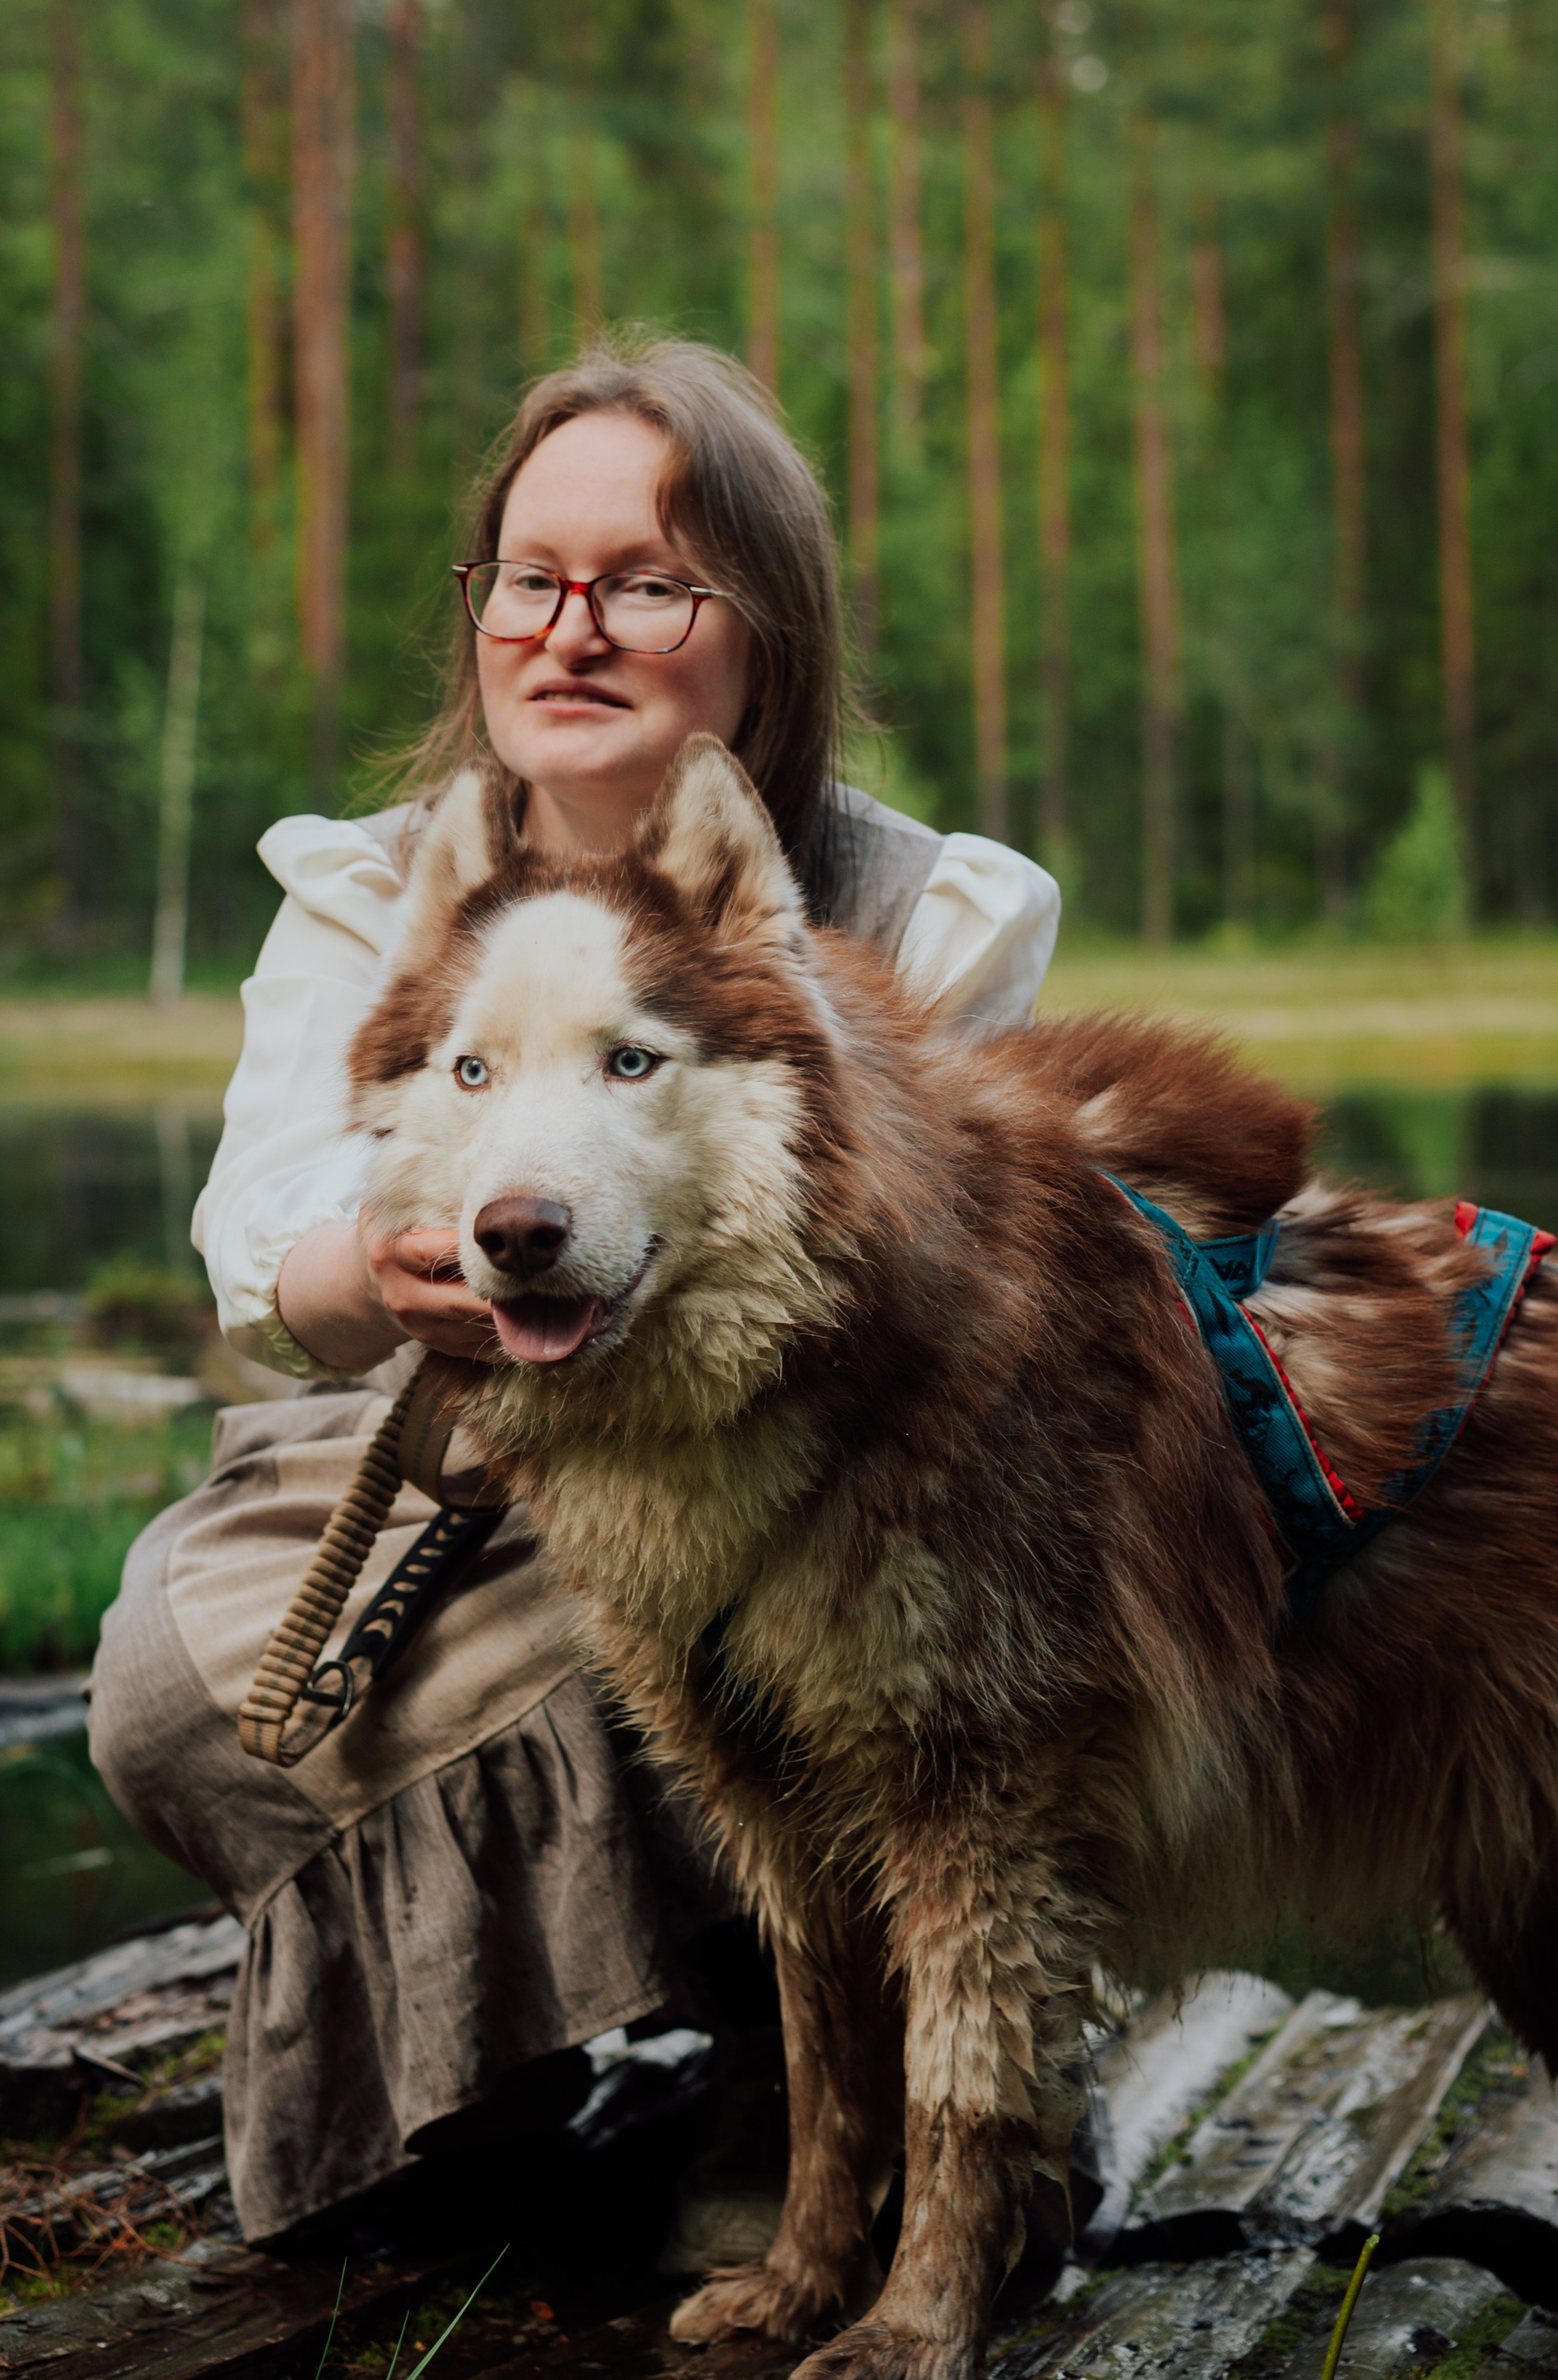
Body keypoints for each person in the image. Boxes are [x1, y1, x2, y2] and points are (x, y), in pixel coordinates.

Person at [89, 334, 1061, 2250]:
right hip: (453, 1449)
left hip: (825, 1490)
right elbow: (265, 1245)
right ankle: (492, 2070)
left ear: (763, 625)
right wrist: (385, 1259)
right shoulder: (386, 889)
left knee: (798, 1636)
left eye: (648, 580)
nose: (572, 626)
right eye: (530, 577)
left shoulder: (920, 906)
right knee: (167, 1694)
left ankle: (871, 2081)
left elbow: (965, 1293)